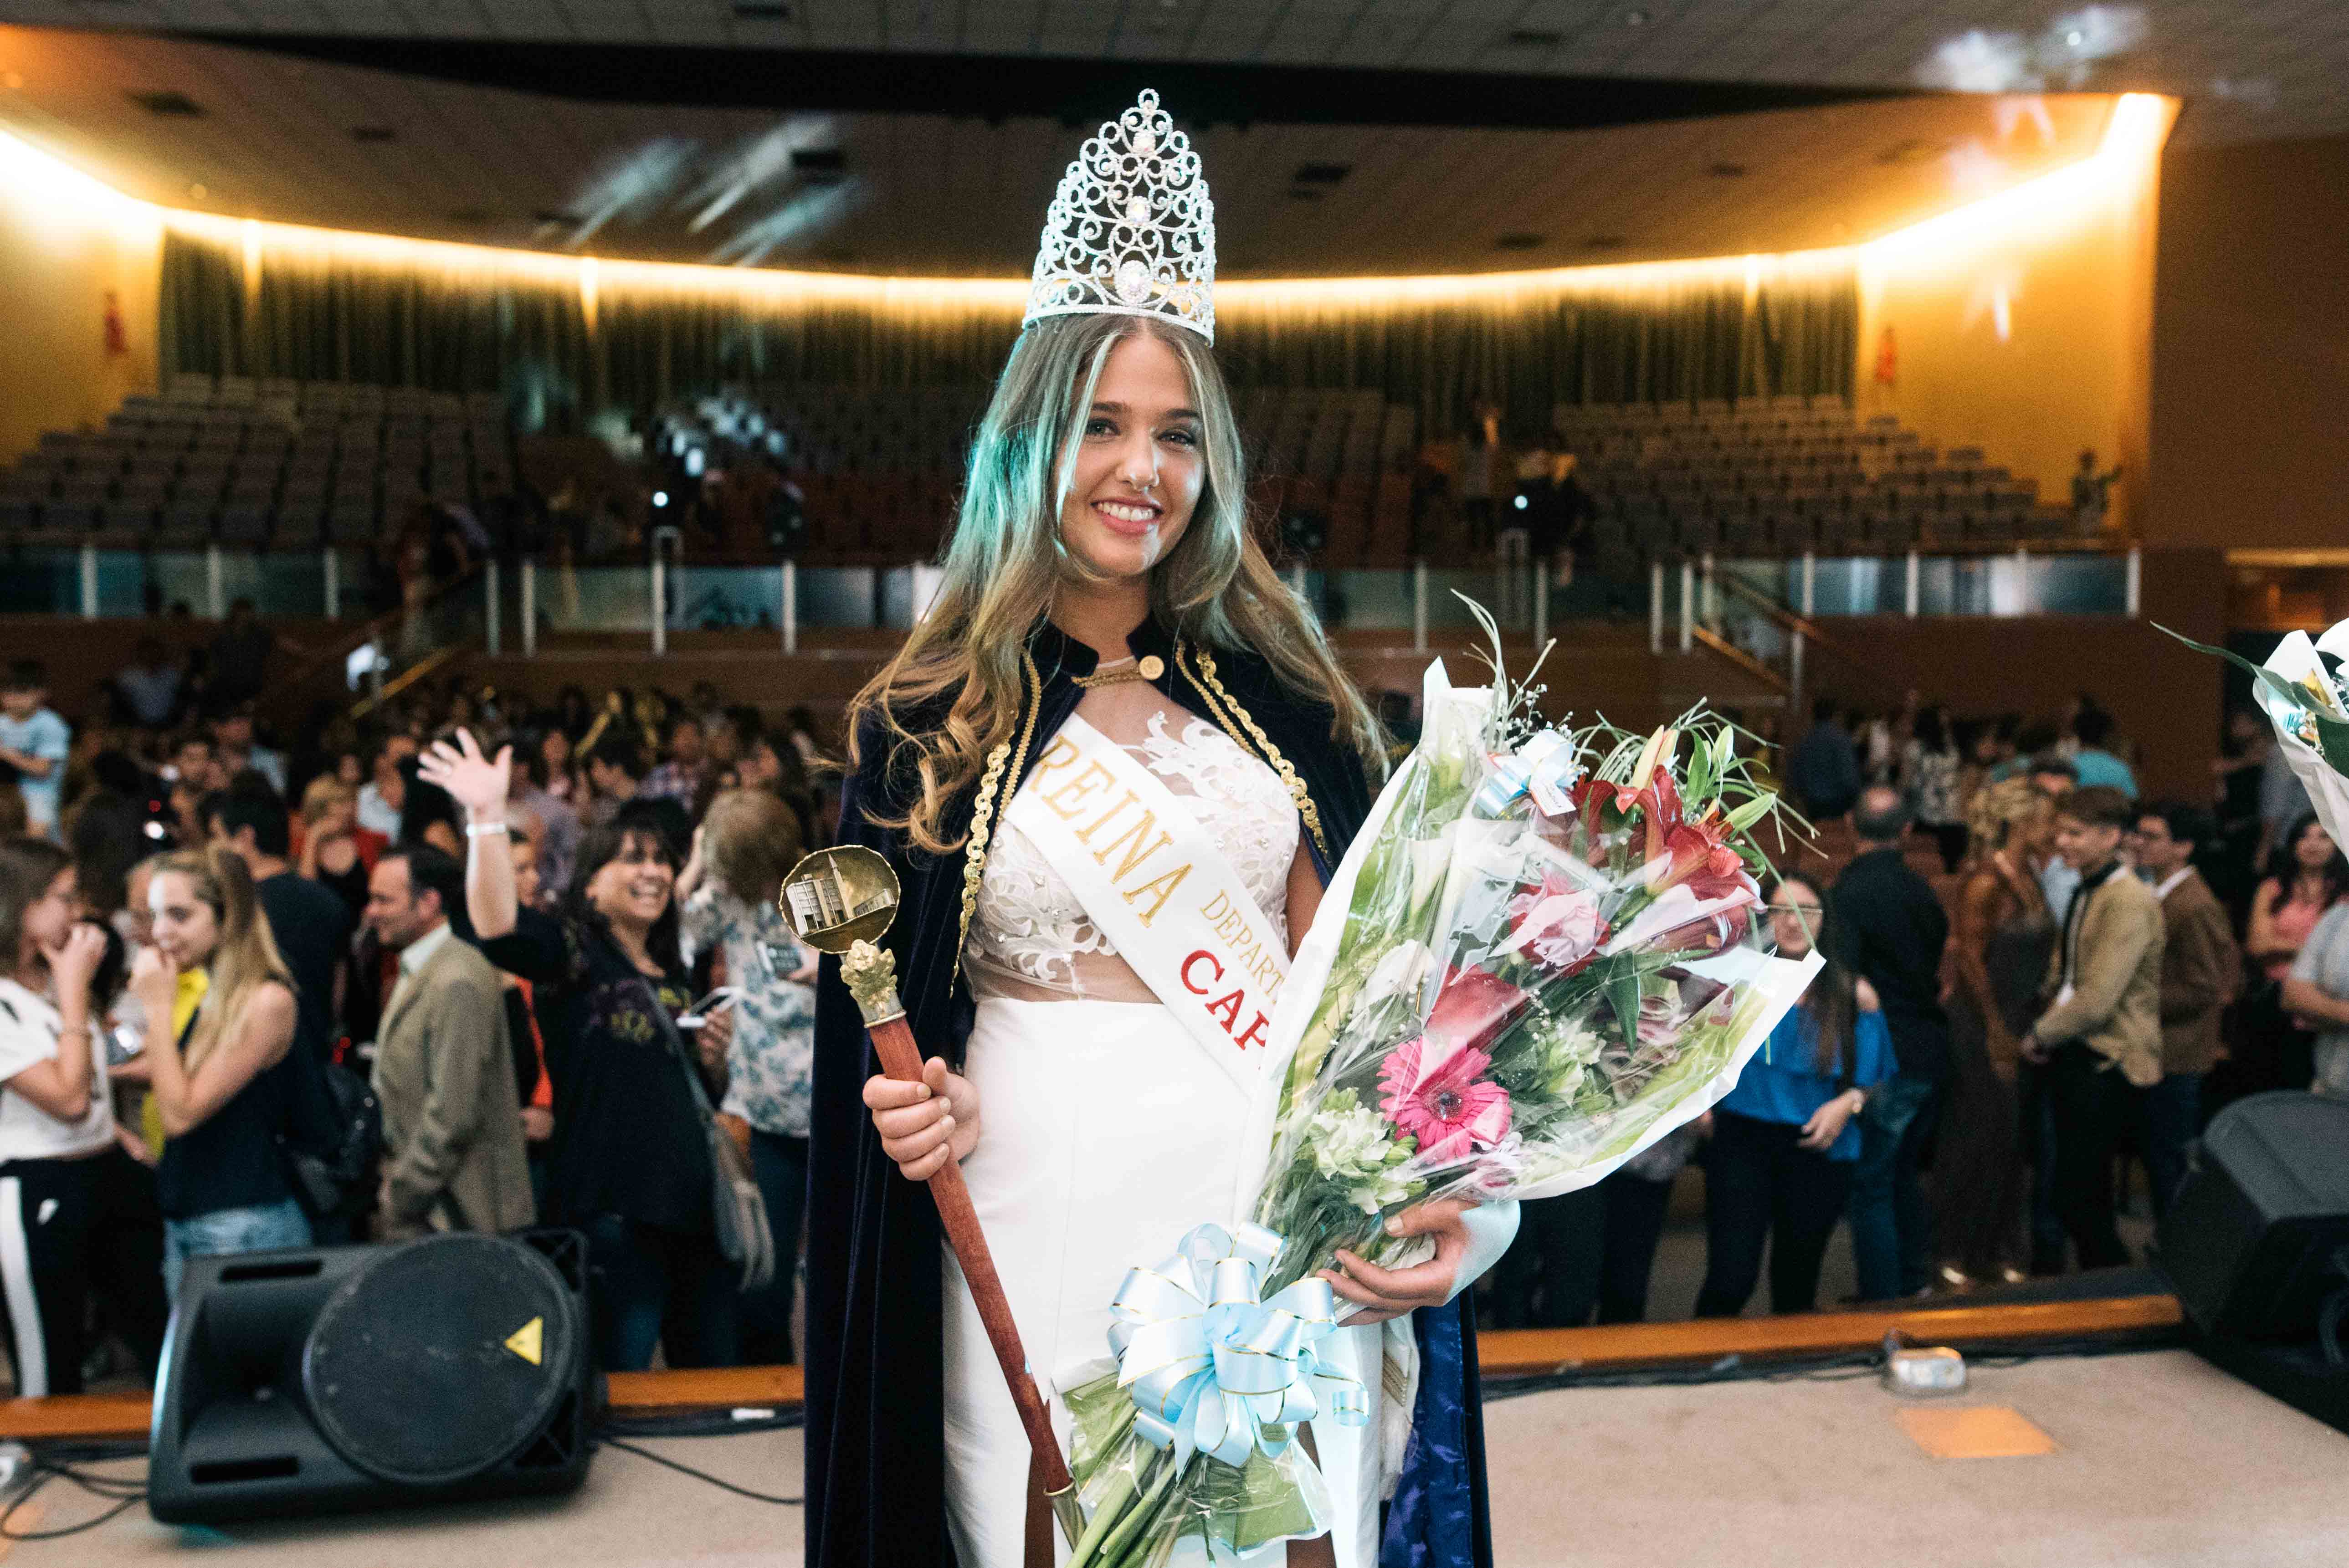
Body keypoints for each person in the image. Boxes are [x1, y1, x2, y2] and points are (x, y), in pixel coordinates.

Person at [809, 91, 1510, 1568]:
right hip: (1035, 1206)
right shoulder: (925, 721)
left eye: (1177, 435)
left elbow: (1369, 997)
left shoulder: (1287, 700)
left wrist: (1451, 1198)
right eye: (1103, 426)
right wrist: (919, 1101)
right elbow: (888, 1025)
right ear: (1029, 440)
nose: (1144, 470)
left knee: (1286, 1539)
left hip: (1258, 1205)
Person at [423, 736, 743, 1373]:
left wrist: (715, 1058)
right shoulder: (575, 955)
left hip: (695, 1211)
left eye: (661, 860)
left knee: (711, 1379)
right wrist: (486, 818)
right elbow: (495, 923)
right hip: (614, 1214)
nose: (653, 872)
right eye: (632, 859)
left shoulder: (676, 972)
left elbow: (687, 1089)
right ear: (591, 885)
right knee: (613, 1381)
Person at [0, 838, 168, 1394]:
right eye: (64, 898)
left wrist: (112, 1130)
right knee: (50, 1364)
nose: (78, 913)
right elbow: (67, 1100)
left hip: (105, 1169)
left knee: (160, 1329)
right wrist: (76, 993)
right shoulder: (20, 995)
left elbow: (88, 1081)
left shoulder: (52, 977)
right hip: (37, 1182)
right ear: (23, 905)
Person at [1694, 874, 1893, 1317]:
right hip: (1741, 1140)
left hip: (1816, 1145)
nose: (1792, 921)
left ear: (1825, 919)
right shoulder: (1737, 981)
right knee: (1730, 1277)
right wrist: (1697, 1105)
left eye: (1806, 910)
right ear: (1763, 919)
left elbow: (1874, 1077)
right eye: (1781, 910)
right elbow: (1699, 1055)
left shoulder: (1853, 994)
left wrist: (1847, 1104)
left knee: (1796, 1283)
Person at [129, 847, 309, 1299]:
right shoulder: (215, 993)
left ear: (227, 917)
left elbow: (181, 1113)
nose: (160, 932)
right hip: (194, 1213)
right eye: (154, 915)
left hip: (242, 1220)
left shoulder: (266, 999)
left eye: (179, 915)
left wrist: (157, 1008)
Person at [678, 789, 816, 1364]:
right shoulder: (726, 897)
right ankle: (769, 1383)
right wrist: (697, 864)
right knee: (765, 1270)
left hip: (837, 1112)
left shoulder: (821, 886)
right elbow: (678, 933)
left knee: (838, 1266)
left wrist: (828, 969)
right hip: (764, 1112)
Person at [2017, 786, 2163, 1271]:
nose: (2062, 841)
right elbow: (2067, 975)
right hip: (2079, 1050)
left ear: (2111, 837)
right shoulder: (2089, 887)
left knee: (2082, 1200)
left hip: (2109, 1058)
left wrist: (2039, 1034)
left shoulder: (2127, 899)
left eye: (2075, 833)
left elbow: (2097, 998)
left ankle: (2113, 1292)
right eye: (2061, 831)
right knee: (2074, 1195)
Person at [363, 844, 533, 1239]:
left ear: (428, 904)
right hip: (432, 1212)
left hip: (454, 1216)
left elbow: (453, 1113)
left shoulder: (458, 978)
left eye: (384, 900)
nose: (371, 911)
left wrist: (400, 1195)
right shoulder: (424, 968)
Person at [1832, 785, 1950, 1301]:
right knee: (1903, 1176)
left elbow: (1844, 982)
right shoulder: (1924, 892)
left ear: (1848, 825)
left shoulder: (1845, 895)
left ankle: (1882, 1299)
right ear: (1907, 831)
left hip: (1882, 1055)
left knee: (1873, 1183)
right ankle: (1914, 1282)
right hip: (1929, 1047)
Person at [2129, 802, 2236, 1219]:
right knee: (2159, 1155)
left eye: (2152, 836)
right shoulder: (2162, 891)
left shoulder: (2192, 903)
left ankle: (2176, 1244)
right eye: (2138, 834)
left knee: (2170, 1161)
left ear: (2184, 847)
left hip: (2178, 1051)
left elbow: (2202, 987)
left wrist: (2131, 1002)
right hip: (2160, 1047)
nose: (2139, 843)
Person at [209, 788, 351, 1066]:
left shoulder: (234, 910)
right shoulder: (329, 901)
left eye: (217, 836)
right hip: (317, 1060)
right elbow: (338, 995)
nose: (211, 848)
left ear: (245, 839)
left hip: (252, 1063)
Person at [2243, 813, 2348, 1095]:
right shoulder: (2273, 889)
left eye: (2323, 837)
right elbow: (2257, 945)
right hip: (2273, 999)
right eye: (2304, 836)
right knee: (2269, 1085)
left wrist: (2282, 944)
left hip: (2324, 1005)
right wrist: (2314, 949)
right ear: (2292, 844)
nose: (2313, 844)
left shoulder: (2344, 896)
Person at [0, 661, 70, 840]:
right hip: (8, 794)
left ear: (41, 693)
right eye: (8, 692)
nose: (14, 698)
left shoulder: (51, 724)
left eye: (22, 691)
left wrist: (6, 754)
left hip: (40, 793)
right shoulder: (2, 723)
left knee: (35, 840)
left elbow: (43, 769)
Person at [1903, 703, 1965, 872]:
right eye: (1943, 721)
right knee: (1923, 863)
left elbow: (1958, 777)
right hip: (1925, 814)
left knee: (1949, 865)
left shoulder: (1952, 747)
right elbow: (1906, 783)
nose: (1946, 725)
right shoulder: (1915, 748)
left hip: (1949, 814)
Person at [1786, 696, 1862, 822]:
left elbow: (1796, 773)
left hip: (1811, 802)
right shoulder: (1841, 739)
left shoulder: (1805, 740)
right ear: (1835, 715)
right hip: (1839, 802)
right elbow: (1849, 775)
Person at [114, 636, 183, 730]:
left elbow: (181, 699)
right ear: (140, 654)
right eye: (147, 653)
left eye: (155, 652)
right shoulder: (127, 678)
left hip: (169, 725)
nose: (151, 657)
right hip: (137, 726)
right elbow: (121, 704)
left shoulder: (172, 675)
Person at [2067, 707, 2136, 799]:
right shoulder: (2120, 769)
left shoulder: (2068, 766)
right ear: (2107, 737)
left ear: (2076, 735)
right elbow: (2132, 802)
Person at [357, 734, 417, 839]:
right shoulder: (363, 797)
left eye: (410, 756)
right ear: (383, 759)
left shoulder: (425, 796)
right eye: (399, 754)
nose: (404, 760)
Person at [640, 717, 708, 808]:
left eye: (694, 734)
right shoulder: (657, 776)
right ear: (672, 743)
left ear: (703, 741)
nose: (689, 741)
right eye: (682, 735)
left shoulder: (712, 774)